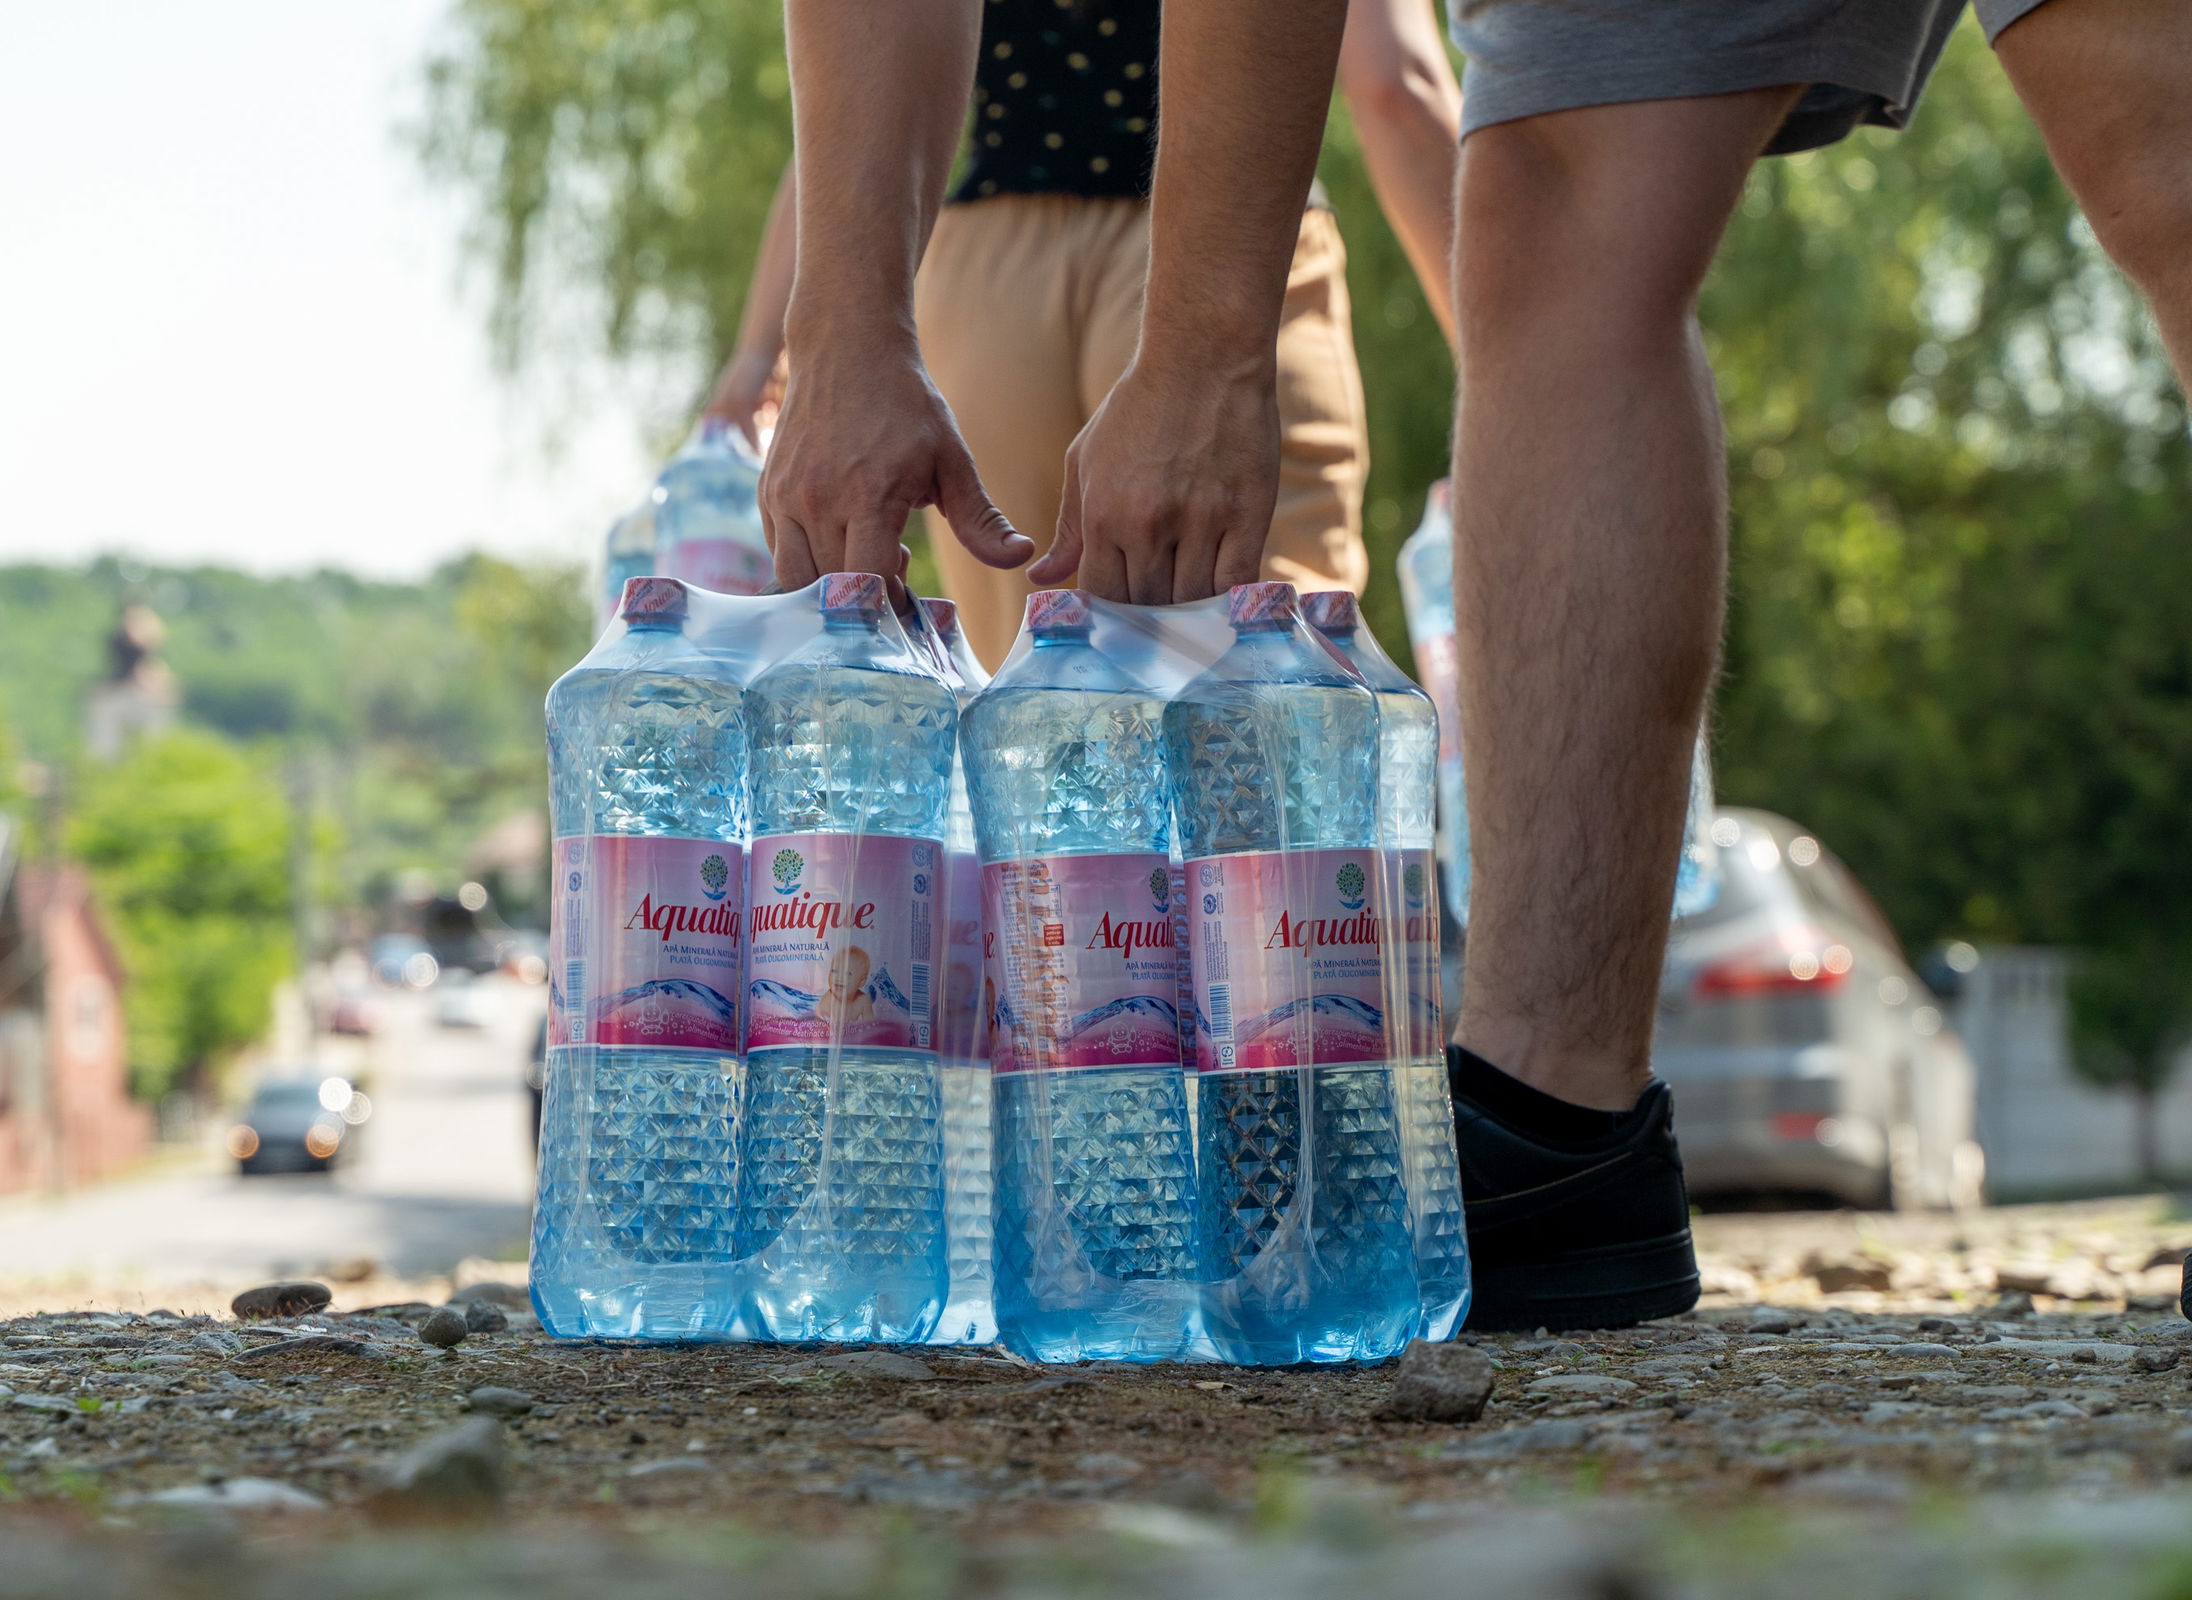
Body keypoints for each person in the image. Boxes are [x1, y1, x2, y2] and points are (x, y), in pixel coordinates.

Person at [763, 0, 2192, 1332]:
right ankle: (1553, 1128)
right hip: (1019, 258)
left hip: (1016, 255)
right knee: (1570, 200)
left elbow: (1380, 75)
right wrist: (838, 332)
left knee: (2163, 139)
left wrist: (1205, 353)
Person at [705, 0, 1463, 661]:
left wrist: (758, 358)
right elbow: (1397, 83)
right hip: (1218, 256)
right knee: (1263, 684)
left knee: (1033, 701)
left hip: (981, 296)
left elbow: (856, 100)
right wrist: (1512, 395)